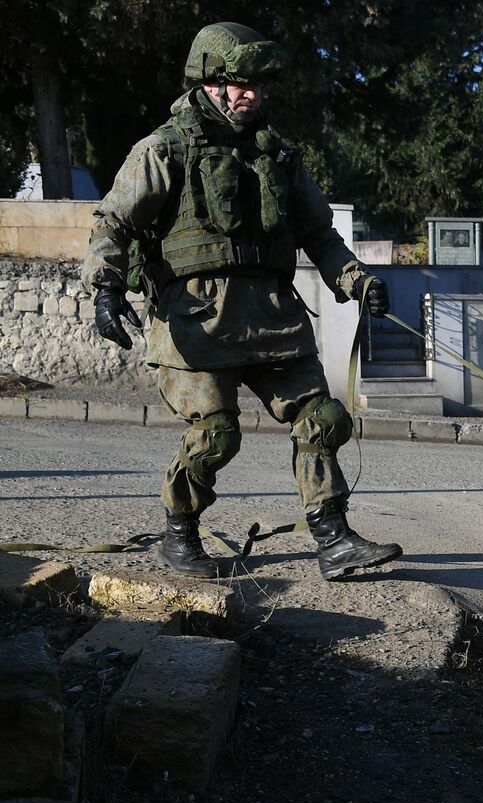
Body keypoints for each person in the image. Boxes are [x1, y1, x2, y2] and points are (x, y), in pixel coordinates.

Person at [81, 22, 401, 581]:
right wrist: (105, 289)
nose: (249, 92)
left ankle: (333, 537)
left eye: (257, 83)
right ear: (209, 80)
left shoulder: (279, 155)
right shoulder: (164, 148)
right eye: (237, 81)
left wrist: (357, 281)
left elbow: (320, 236)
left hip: (272, 317)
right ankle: (178, 536)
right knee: (214, 437)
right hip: (196, 321)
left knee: (321, 418)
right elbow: (114, 222)